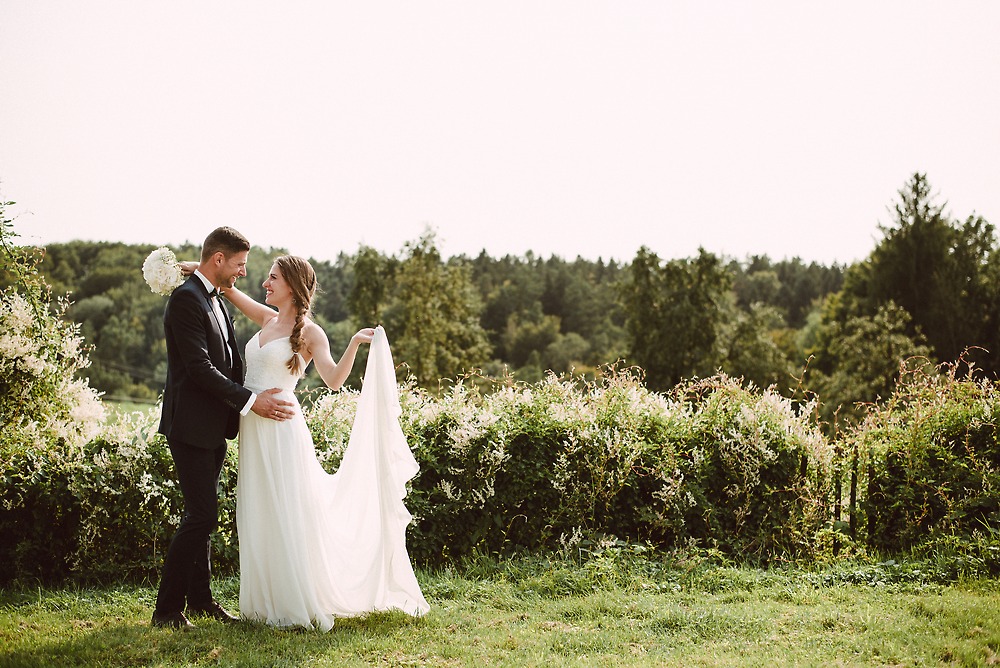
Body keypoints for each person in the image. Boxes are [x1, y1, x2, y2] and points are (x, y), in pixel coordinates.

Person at [213, 254, 429, 630]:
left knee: (286, 510)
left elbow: (333, 380)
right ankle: (263, 603)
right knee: (260, 507)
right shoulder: (266, 318)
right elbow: (227, 287)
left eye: (272, 278)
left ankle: (292, 600)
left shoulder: (310, 333)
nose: (265, 284)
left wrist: (354, 345)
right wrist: (190, 268)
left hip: (282, 430)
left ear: (293, 286)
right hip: (253, 427)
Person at [152, 227, 295, 630]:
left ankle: (200, 601)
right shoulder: (186, 300)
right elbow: (199, 368)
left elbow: (229, 359)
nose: (242, 274)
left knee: (203, 515)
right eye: (238, 265)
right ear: (218, 260)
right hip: (190, 426)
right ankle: (166, 610)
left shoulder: (212, 297)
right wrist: (251, 401)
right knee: (202, 516)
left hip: (214, 426)